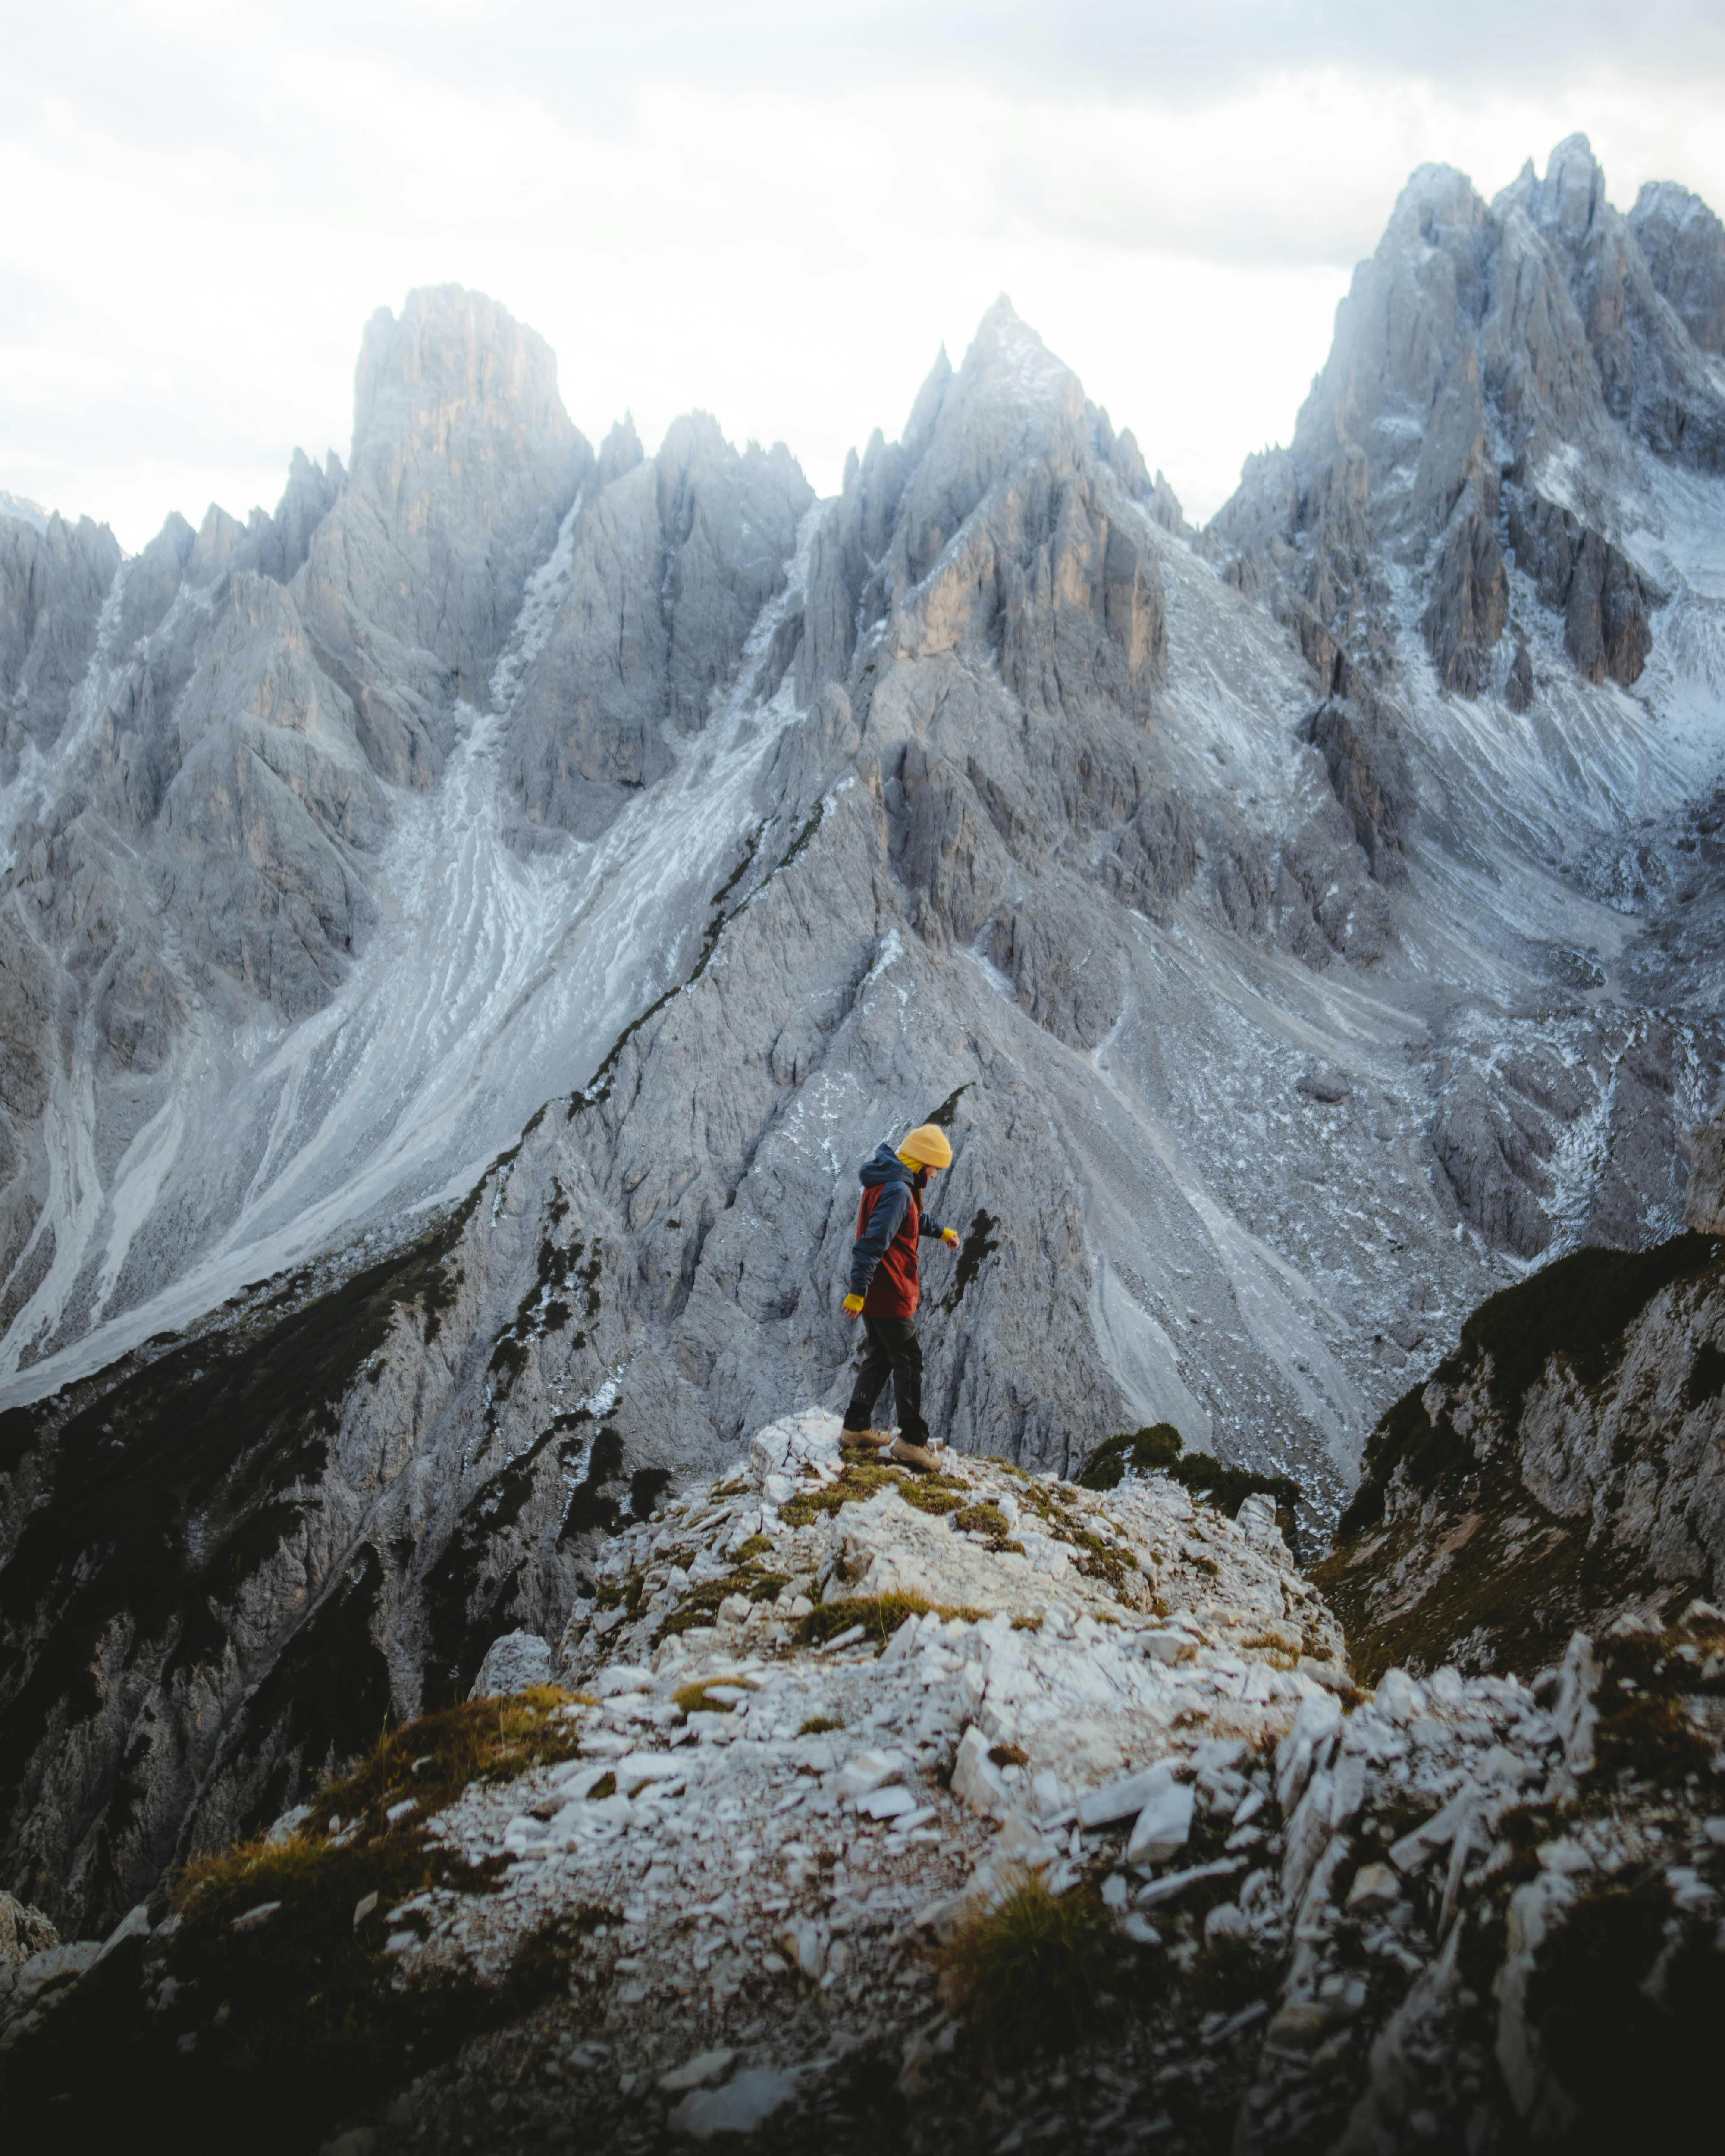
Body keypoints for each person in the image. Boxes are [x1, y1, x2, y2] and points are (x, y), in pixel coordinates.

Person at [840, 1122, 961, 1472]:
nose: (935, 1176)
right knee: (909, 1360)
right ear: (922, 1162)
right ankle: (912, 1441)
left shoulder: (891, 1182)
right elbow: (871, 1244)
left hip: (880, 1296)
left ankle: (856, 1426)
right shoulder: (897, 1191)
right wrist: (856, 1292)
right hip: (889, 1293)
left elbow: (909, 1220)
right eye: (935, 1168)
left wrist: (942, 1232)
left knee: (880, 1356)